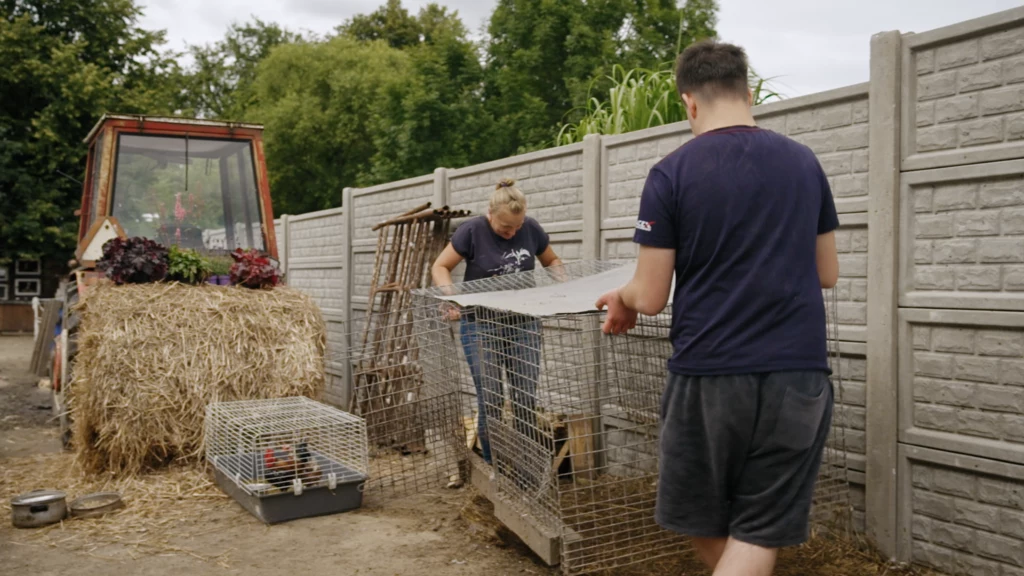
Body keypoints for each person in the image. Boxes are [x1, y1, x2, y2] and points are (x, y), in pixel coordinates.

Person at [596, 40, 840, 576]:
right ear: (748, 93)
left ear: (689, 102)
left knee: (700, 516)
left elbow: (652, 295)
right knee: (759, 528)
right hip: (798, 374)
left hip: (711, 373)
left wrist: (623, 297)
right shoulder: (804, 163)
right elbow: (827, 273)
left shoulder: (671, 173)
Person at [431, 178, 564, 466]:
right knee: (490, 399)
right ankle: (495, 470)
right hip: (481, 324)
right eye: (506, 228)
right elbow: (440, 266)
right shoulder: (472, 231)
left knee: (524, 400)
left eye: (518, 226)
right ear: (490, 214)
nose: (513, 232)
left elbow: (552, 262)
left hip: (523, 323)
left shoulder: (531, 228)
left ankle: (525, 467)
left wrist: (562, 289)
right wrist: (452, 296)